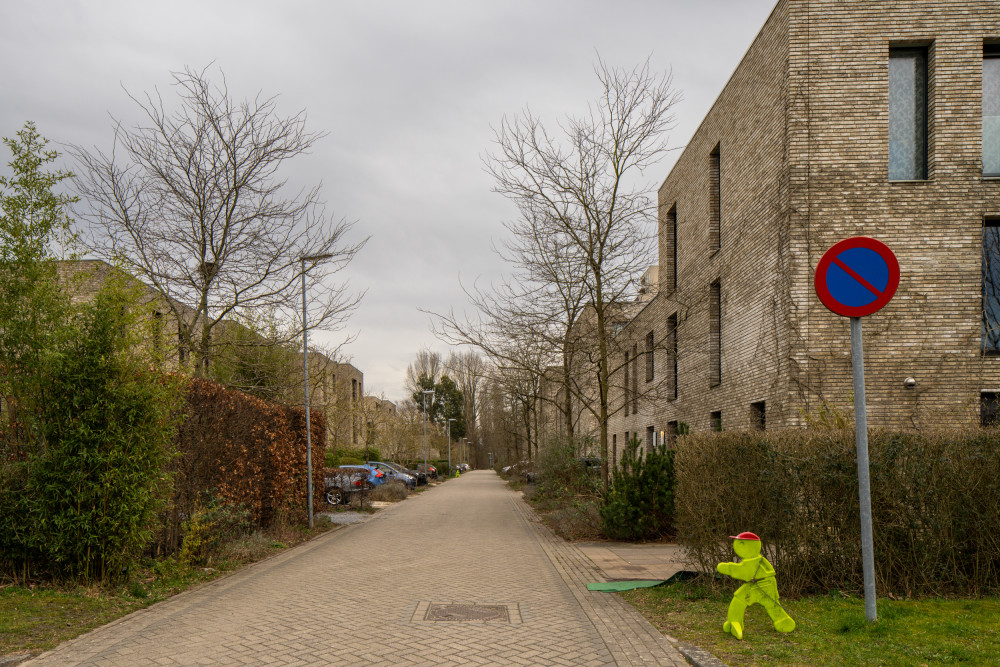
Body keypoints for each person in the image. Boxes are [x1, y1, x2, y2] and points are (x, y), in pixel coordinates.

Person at [716, 531, 795, 639]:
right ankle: (781, 620)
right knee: (768, 603)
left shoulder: (753, 562)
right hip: (762, 583)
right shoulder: (757, 560)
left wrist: (727, 568)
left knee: (743, 599)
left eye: (740, 543)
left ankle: (735, 620)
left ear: (746, 545)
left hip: (763, 584)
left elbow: (743, 572)